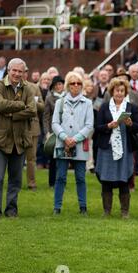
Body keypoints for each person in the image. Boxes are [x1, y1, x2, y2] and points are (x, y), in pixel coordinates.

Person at [0, 58, 37, 219]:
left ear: (24, 73)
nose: (17, 74)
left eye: (20, 71)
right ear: (8, 71)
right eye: (14, 70)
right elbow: (0, 105)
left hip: (20, 140)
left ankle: (11, 210)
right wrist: (21, 106)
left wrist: (11, 112)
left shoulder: (28, 88)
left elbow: (33, 110)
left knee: (15, 180)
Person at [95, 78, 138, 218]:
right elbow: (97, 127)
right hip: (106, 149)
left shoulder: (131, 107)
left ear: (125, 92)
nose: (119, 93)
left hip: (124, 148)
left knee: (124, 179)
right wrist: (108, 126)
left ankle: (124, 212)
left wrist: (130, 124)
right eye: (117, 91)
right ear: (112, 91)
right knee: (106, 179)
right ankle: (106, 211)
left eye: (122, 91)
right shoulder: (104, 107)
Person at [51, 71, 94, 215]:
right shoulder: (59, 102)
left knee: (80, 178)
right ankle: (57, 207)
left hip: (80, 144)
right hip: (63, 143)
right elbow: (55, 123)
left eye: (79, 83)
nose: (76, 85)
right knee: (61, 177)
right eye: (73, 83)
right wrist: (65, 137)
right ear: (68, 85)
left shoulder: (88, 103)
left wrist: (75, 139)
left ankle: (83, 207)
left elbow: (89, 125)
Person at [23, 67, 45, 191]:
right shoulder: (12, 87)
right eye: (21, 71)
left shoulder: (35, 87)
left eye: (26, 71)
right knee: (15, 157)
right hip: (16, 126)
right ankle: (13, 182)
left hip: (33, 126)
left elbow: (42, 106)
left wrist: (33, 103)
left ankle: (31, 184)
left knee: (31, 158)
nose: (23, 74)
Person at [43, 76, 66, 188]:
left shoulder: (68, 97)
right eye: (56, 85)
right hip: (53, 131)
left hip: (66, 131)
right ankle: (52, 183)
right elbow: (46, 117)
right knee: (53, 159)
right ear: (53, 87)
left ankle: (61, 182)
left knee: (64, 158)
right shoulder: (49, 98)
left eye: (60, 84)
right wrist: (47, 132)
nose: (58, 86)